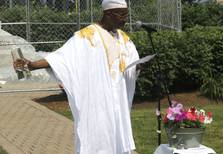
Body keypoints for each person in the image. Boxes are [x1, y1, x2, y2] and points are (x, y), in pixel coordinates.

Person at [13, 0, 140, 153]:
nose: (125, 19)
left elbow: (130, 64)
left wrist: (138, 67)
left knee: (118, 141)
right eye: (122, 15)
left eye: (126, 14)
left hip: (118, 102)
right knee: (97, 140)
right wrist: (32, 65)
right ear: (108, 14)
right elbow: (62, 58)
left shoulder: (123, 38)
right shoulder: (87, 36)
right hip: (96, 103)